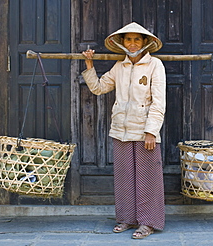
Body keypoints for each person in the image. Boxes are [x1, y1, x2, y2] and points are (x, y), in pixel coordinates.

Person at [81, 22, 166, 239]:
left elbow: (159, 102)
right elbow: (99, 88)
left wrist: (151, 132)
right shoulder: (119, 67)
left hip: (145, 131)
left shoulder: (155, 65)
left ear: (145, 43)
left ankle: (148, 222)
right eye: (128, 39)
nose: (133, 43)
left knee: (148, 177)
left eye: (137, 39)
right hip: (121, 130)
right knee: (124, 176)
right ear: (122, 43)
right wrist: (89, 65)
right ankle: (127, 219)